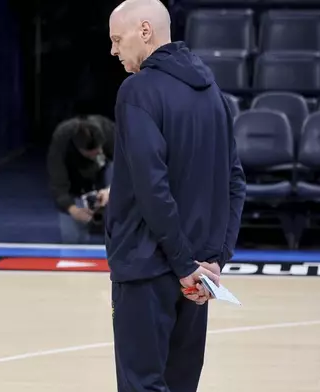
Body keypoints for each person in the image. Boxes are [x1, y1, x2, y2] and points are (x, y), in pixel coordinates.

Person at [105, 0, 246, 391]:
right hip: (197, 275)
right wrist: (215, 260)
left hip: (149, 269)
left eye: (118, 40)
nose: (114, 51)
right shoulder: (212, 92)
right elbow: (235, 182)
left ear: (144, 31)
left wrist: (185, 264)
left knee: (142, 384)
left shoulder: (137, 91)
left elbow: (152, 186)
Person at [47, 114, 115, 244]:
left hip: (105, 176)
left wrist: (110, 190)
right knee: (72, 240)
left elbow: (131, 169)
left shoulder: (109, 131)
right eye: (92, 153)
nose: (98, 152)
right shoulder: (62, 139)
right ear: (80, 149)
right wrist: (72, 209)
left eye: (99, 149)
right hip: (75, 183)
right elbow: (57, 182)